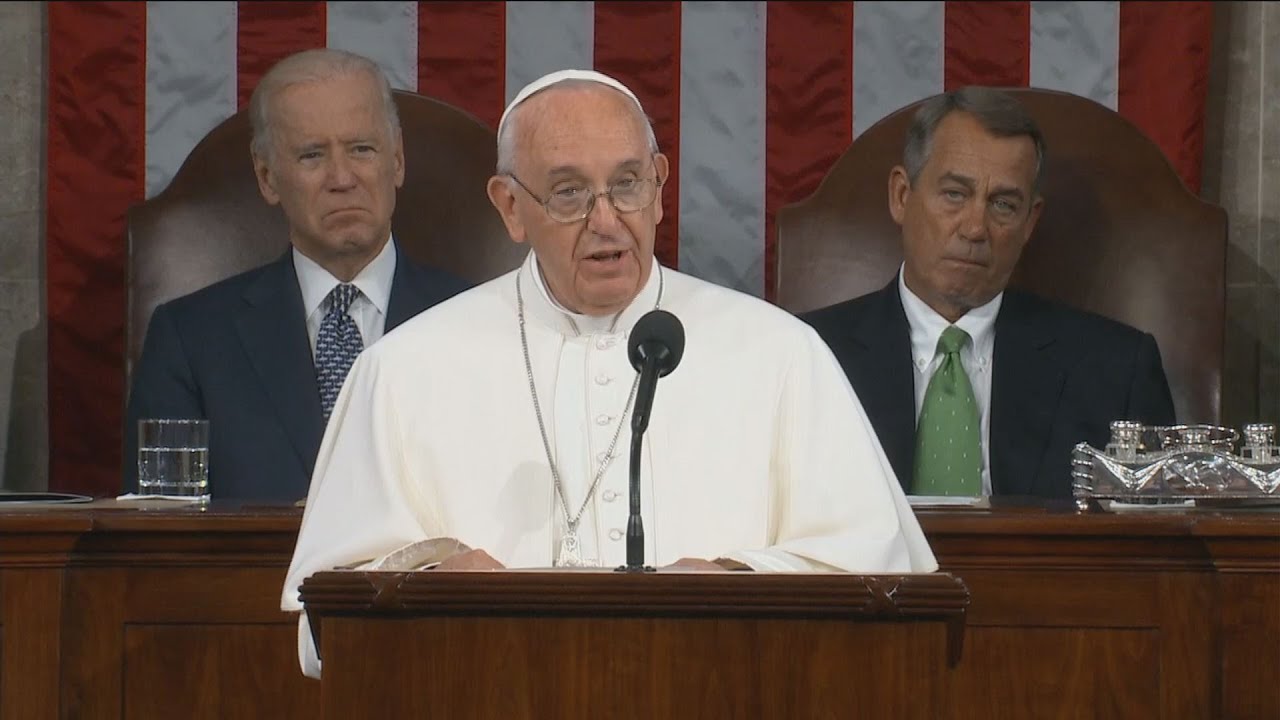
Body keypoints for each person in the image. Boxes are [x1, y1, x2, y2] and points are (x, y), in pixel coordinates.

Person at [281, 69, 938, 679]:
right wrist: (434, 579)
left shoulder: (781, 355)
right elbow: (323, 624)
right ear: (510, 206)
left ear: (659, 185)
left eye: (627, 184)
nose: (606, 219)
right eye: (569, 192)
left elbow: (886, 579)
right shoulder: (405, 369)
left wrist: (738, 579)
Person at [123, 49, 471, 502]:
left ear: (397, 160)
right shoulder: (190, 341)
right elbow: (155, 542)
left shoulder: (476, 323)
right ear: (268, 177)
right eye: (312, 156)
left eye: (362, 149)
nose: (342, 178)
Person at [801, 87, 1176, 500]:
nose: (975, 228)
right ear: (902, 197)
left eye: (1003, 204)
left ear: (1029, 222)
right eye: (955, 194)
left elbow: (1155, 549)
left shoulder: (1117, 370)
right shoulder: (806, 354)